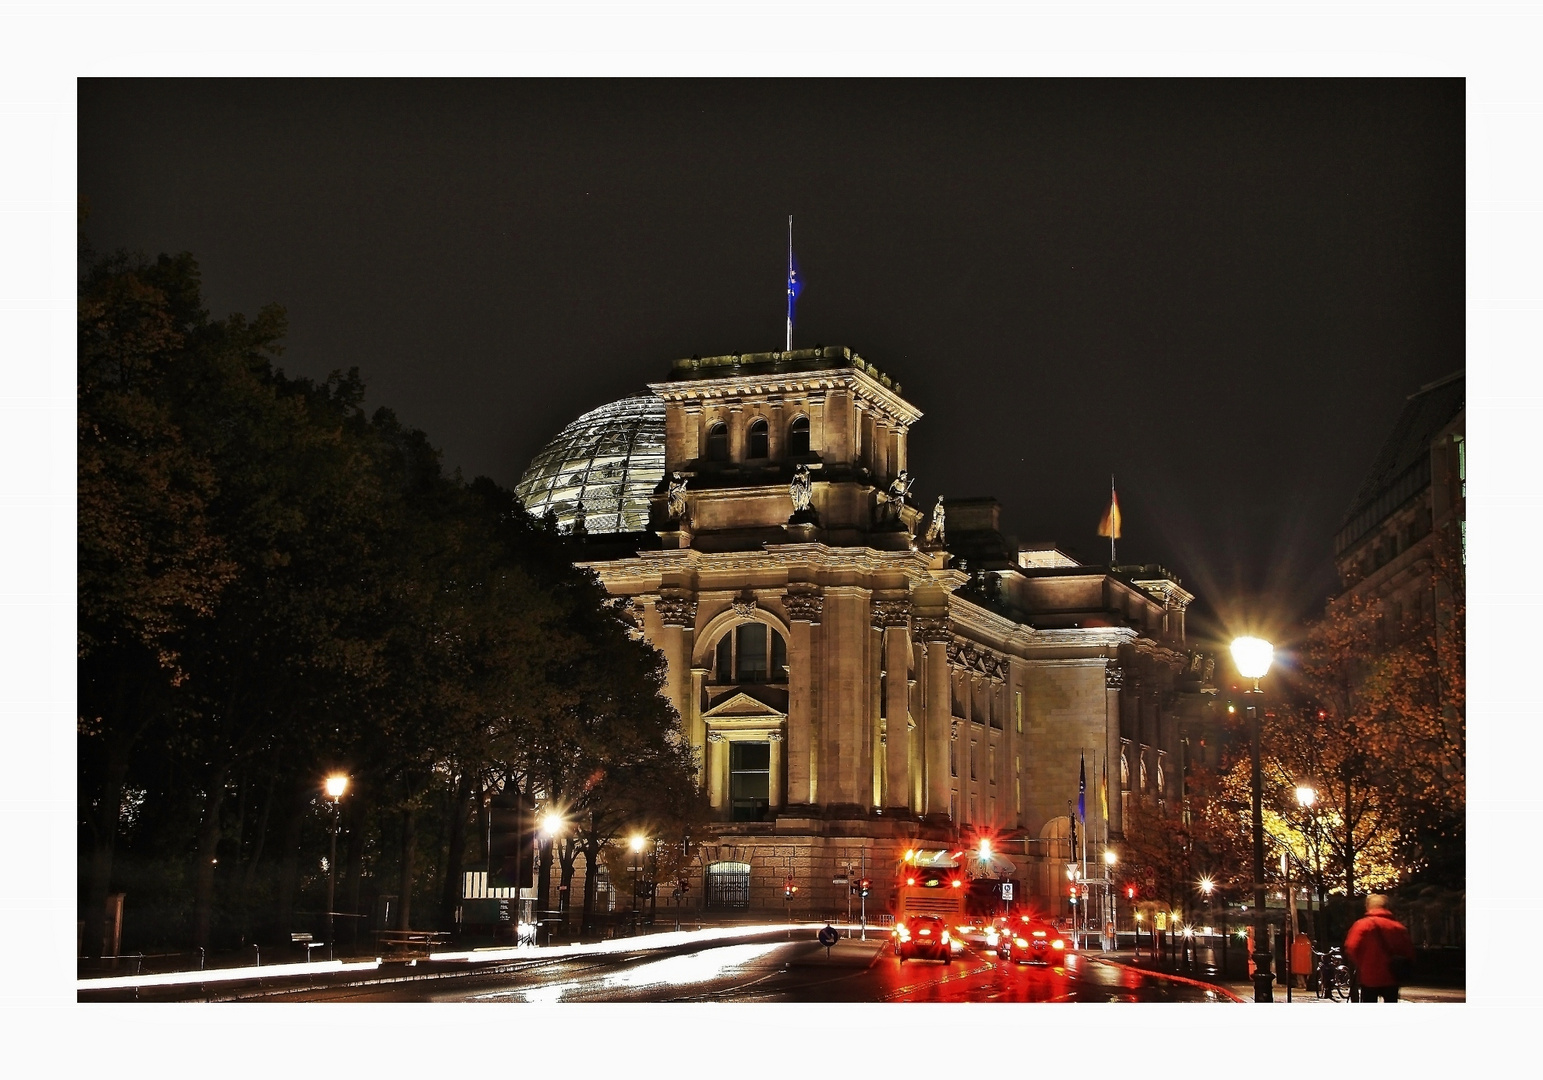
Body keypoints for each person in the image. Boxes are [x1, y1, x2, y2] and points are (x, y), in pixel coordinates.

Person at [1343, 894, 1415, 1002]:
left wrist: (1362, 964)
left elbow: (1351, 947)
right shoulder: (1398, 927)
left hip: (1369, 978)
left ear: (1368, 907)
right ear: (1386, 907)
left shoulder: (1362, 925)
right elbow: (1409, 952)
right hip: (1392, 977)